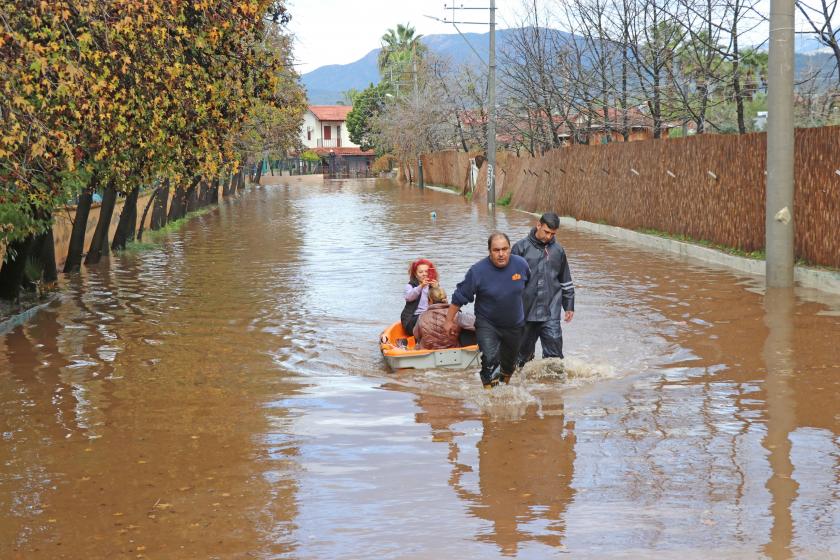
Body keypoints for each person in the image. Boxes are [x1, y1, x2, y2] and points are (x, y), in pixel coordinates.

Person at [444, 232, 530, 389]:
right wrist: (449, 320)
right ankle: (491, 397)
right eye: (496, 250)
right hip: (488, 324)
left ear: (510, 249)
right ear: (489, 251)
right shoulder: (477, 271)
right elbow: (460, 296)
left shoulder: (521, 265)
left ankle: (503, 389)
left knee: (509, 365)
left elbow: (528, 288)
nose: (501, 254)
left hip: (514, 324)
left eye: (505, 249)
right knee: (490, 360)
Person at [511, 212, 575, 364]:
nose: (549, 237)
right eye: (546, 232)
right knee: (521, 359)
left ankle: (554, 387)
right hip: (525, 313)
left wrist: (569, 306)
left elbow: (565, 280)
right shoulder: (520, 248)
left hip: (550, 311)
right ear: (538, 225)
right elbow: (509, 283)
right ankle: (525, 387)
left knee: (554, 360)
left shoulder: (558, 251)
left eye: (553, 234)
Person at [401, 258, 438, 335]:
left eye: (426, 271)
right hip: (413, 319)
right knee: (426, 319)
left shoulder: (433, 285)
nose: (424, 274)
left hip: (430, 317)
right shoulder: (410, 286)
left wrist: (436, 289)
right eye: (421, 272)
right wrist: (421, 286)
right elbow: (409, 297)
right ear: (415, 274)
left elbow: (442, 304)